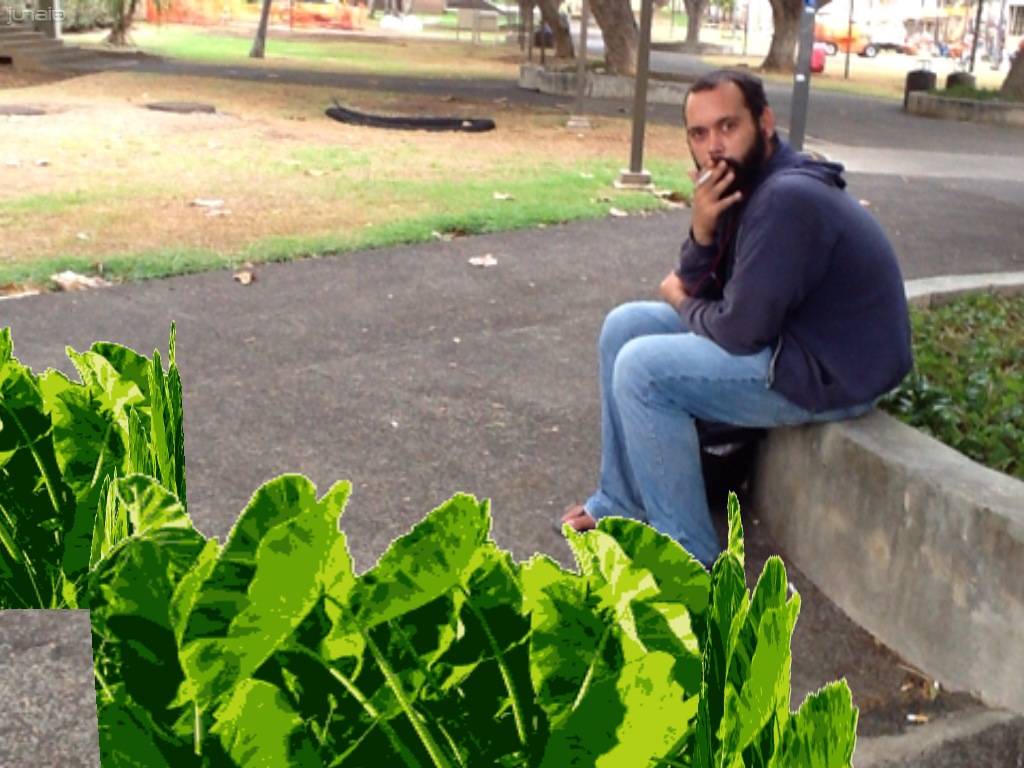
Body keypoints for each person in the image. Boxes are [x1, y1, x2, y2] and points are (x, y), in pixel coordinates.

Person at [559, 69, 913, 569]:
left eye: (728, 127)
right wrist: (702, 232)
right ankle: (622, 503)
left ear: (764, 122)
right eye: (699, 134)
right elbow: (714, 292)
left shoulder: (786, 198)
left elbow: (740, 330)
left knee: (643, 369)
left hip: (829, 371)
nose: (713, 147)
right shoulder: (747, 185)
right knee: (625, 326)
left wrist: (683, 302)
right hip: (791, 340)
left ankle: (686, 558)